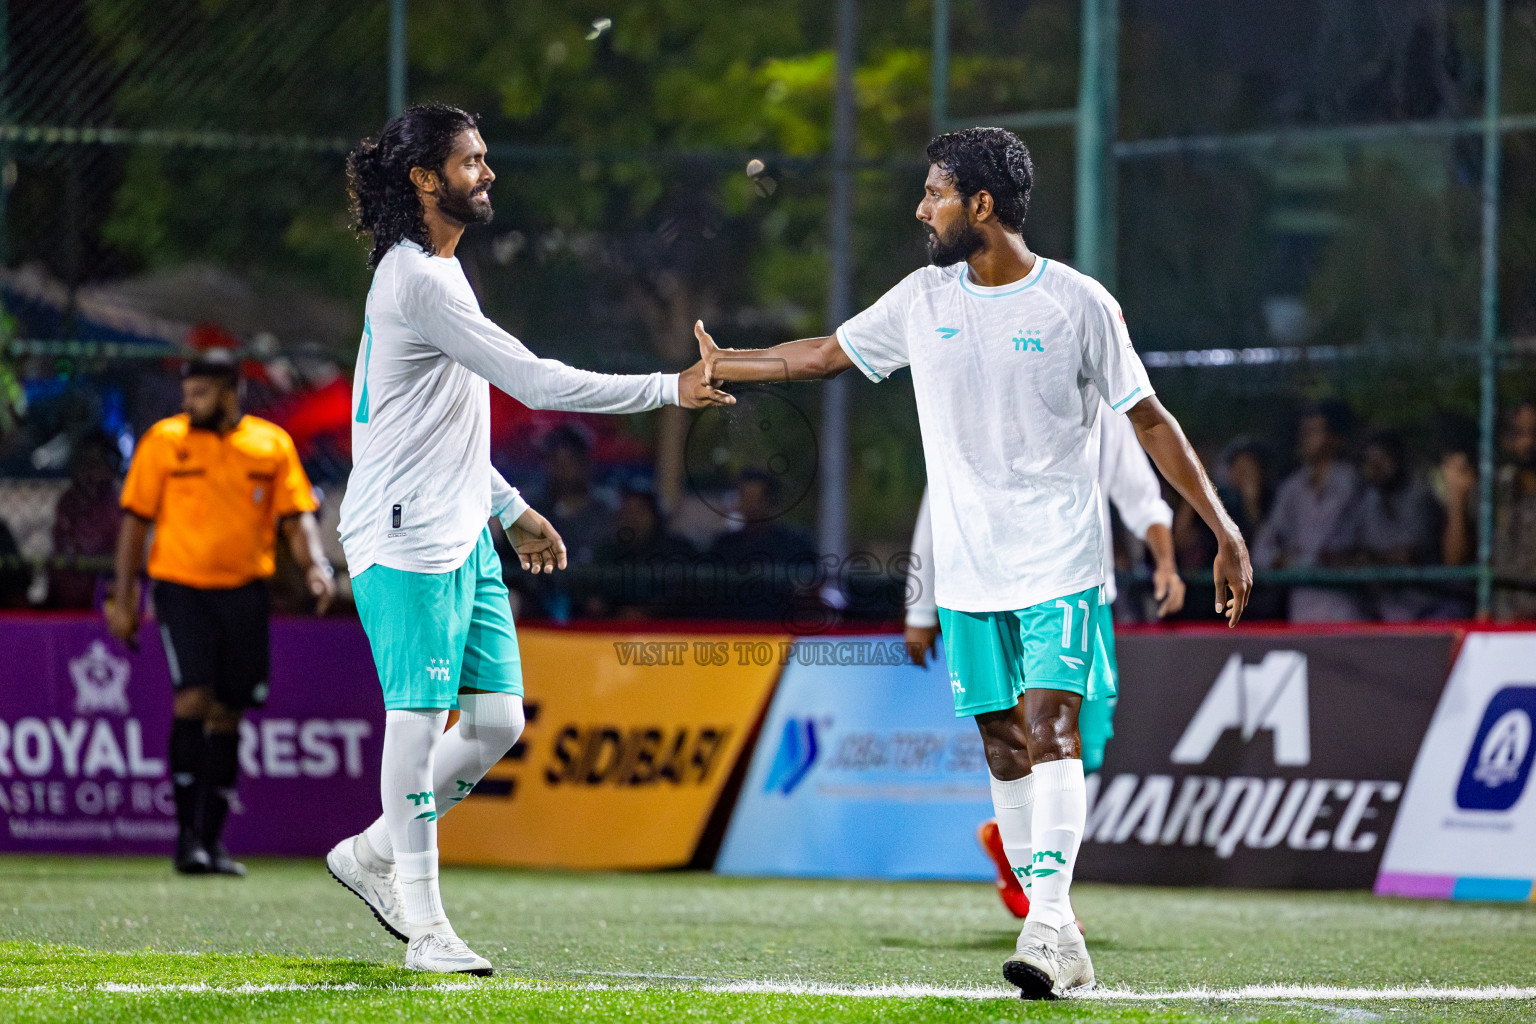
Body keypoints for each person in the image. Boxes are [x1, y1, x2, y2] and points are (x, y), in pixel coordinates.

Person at [694, 126, 1250, 999]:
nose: (922, 208)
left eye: (935, 192)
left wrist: (1221, 529)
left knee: (1052, 729)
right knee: (1001, 746)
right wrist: (728, 363)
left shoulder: (1078, 303)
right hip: (967, 571)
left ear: (981, 205)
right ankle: (1056, 931)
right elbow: (824, 356)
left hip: (1061, 565)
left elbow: (1149, 421)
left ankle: (1048, 924)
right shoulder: (924, 298)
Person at [323, 103, 728, 977]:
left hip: (461, 526)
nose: (488, 172)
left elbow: (437, 420)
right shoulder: (417, 280)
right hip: (406, 539)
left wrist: (505, 505)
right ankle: (426, 930)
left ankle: (369, 853)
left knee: (499, 722)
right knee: (419, 718)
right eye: (471, 161)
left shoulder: (436, 270)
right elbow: (535, 383)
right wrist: (671, 388)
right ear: (425, 180)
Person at [904, 401, 1184, 919]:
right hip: (993, 584)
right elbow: (941, 494)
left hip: (1082, 589)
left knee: (1088, 744)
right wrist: (920, 604)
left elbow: (1141, 495)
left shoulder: (1102, 399)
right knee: (1024, 731)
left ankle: (1018, 857)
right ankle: (1049, 904)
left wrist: (1165, 561)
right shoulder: (990, 385)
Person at [105, 349, 337, 876]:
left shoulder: (270, 445)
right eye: (187, 395)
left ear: (231, 392)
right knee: (192, 700)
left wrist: (316, 566)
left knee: (229, 710)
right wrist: (124, 597)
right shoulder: (165, 442)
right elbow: (134, 524)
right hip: (180, 590)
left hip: (245, 592)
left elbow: (296, 518)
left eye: (201, 393)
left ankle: (212, 842)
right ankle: (185, 840)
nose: (190, 404)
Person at [1252, 402, 1363, 622]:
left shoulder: (1355, 482)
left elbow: (1366, 545)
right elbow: (1262, 551)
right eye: (1303, 432)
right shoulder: (1291, 489)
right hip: (1303, 611)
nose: (1305, 438)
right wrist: (1287, 561)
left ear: (1335, 438)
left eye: (1313, 431)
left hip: (1347, 610)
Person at [1355, 429, 1444, 620]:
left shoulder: (1420, 496)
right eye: (1369, 460)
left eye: (1382, 458)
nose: (1375, 466)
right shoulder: (1367, 501)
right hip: (1385, 614)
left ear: (1398, 458)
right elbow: (1356, 555)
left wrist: (1370, 557)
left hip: (1428, 609)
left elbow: (1408, 557)